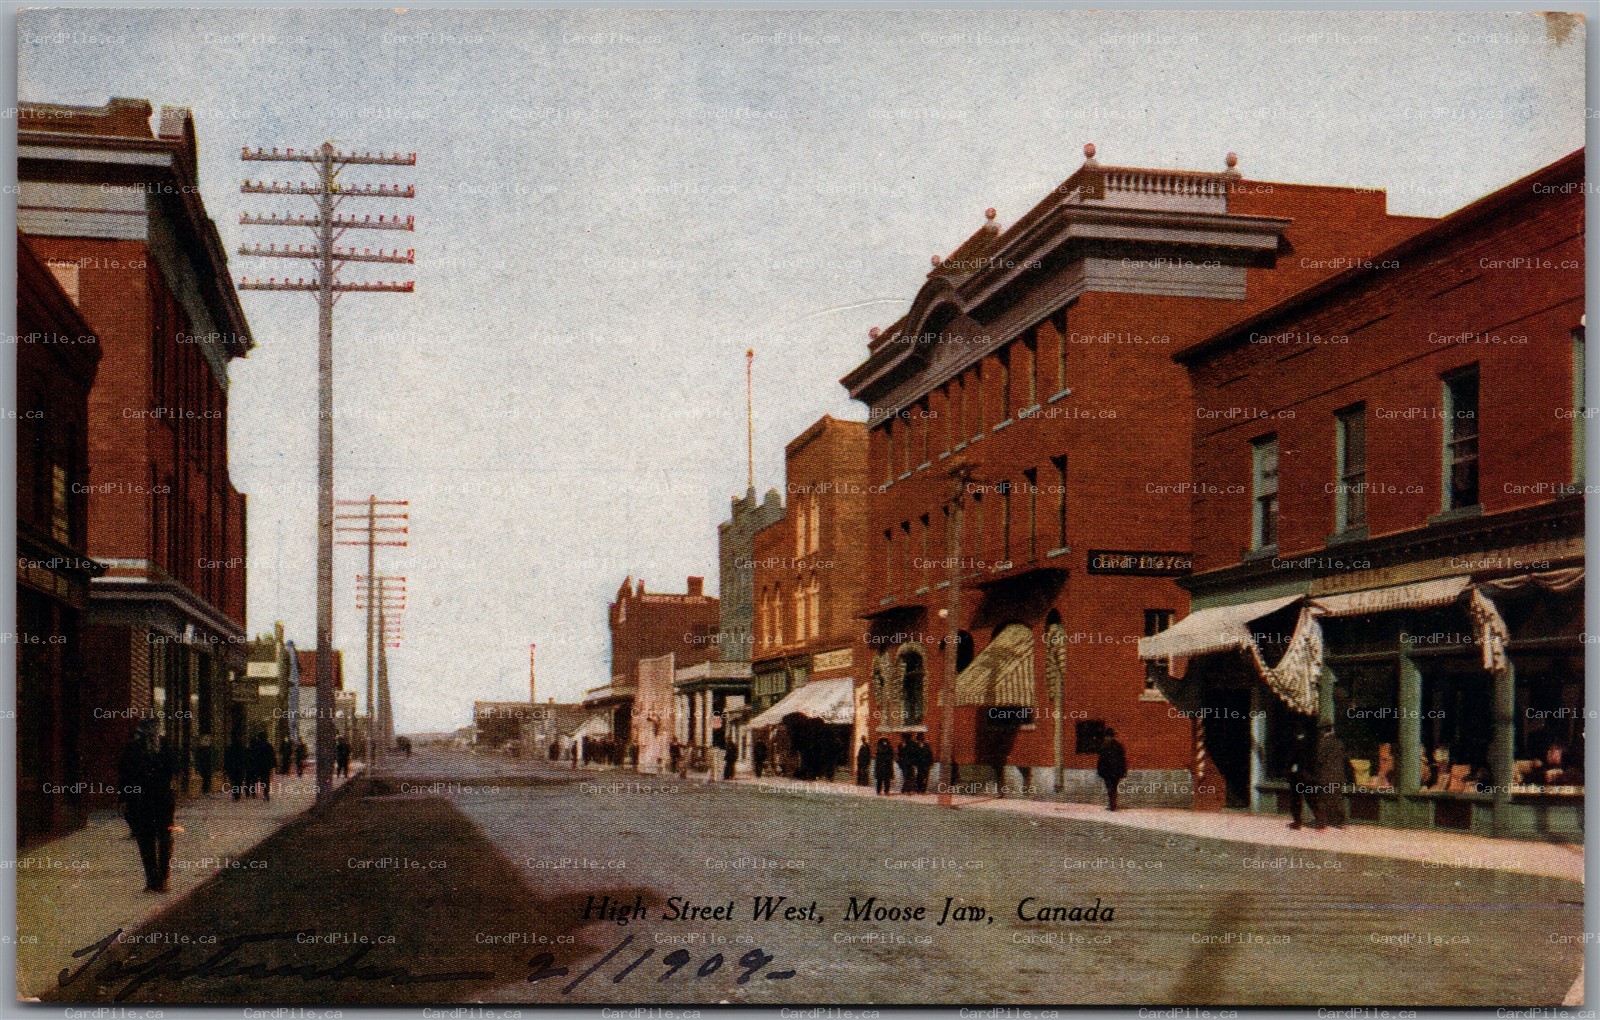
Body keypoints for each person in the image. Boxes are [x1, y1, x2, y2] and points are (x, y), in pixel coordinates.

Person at [124, 721, 177, 892]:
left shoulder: (167, 746)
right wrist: (125, 798)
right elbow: (125, 775)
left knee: (164, 839)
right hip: (142, 800)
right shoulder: (133, 748)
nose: (151, 732)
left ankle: (162, 878)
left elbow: (174, 769)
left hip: (162, 800)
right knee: (146, 840)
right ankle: (151, 879)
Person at [1312, 722, 1349, 828]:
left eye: (1320, 730)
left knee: (1322, 800)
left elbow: (1320, 759)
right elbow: (1344, 759)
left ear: (1323, 730)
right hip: (1338, 777)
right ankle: (1341, 823)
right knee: (1337, 800)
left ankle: (1322, 824)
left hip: (1326, 776)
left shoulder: (1323, 743)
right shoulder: (1339, 742)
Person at [1286, 723, 1317, 830]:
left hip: (1298, 776)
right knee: (1312, 799)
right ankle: (1320, 821)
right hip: (1309, 776)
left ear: (1295, 734)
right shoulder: (1311, 744)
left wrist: (1290, 768)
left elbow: (1291, 760)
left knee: (1296, 800)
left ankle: (1297, 822)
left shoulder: (1296, 744)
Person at [1096, 727, 1128, 811]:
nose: (1107, 738)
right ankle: (1112, 804)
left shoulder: (1105, 746)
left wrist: (1099, 770)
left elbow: (1101, 760)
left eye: (1108, 736)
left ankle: (1112, 805)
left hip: (1109, 771)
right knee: (1113, 788)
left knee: (1110, 788)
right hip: (1114, 771)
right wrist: (1123, 771)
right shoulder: (1118, 746)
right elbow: (1122, 759)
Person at [249, 731, 276, 801]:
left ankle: (253, 792)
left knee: (255, 779)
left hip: (257, 765)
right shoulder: (269, 746)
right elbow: (272, 756)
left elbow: (252, 755)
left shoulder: (256, 746)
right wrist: (273, 765)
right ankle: (266, 793)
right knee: (265, 780)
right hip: (266, 766)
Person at [224, 734, 247, 800]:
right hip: (240, 768)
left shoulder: (229, 748)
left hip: (232, 768)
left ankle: (235, 793)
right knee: (239, 781)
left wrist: (226, 768)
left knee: (234, 781)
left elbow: (227, 759)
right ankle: (237, 794)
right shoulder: (242, 748)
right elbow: (244, 759)